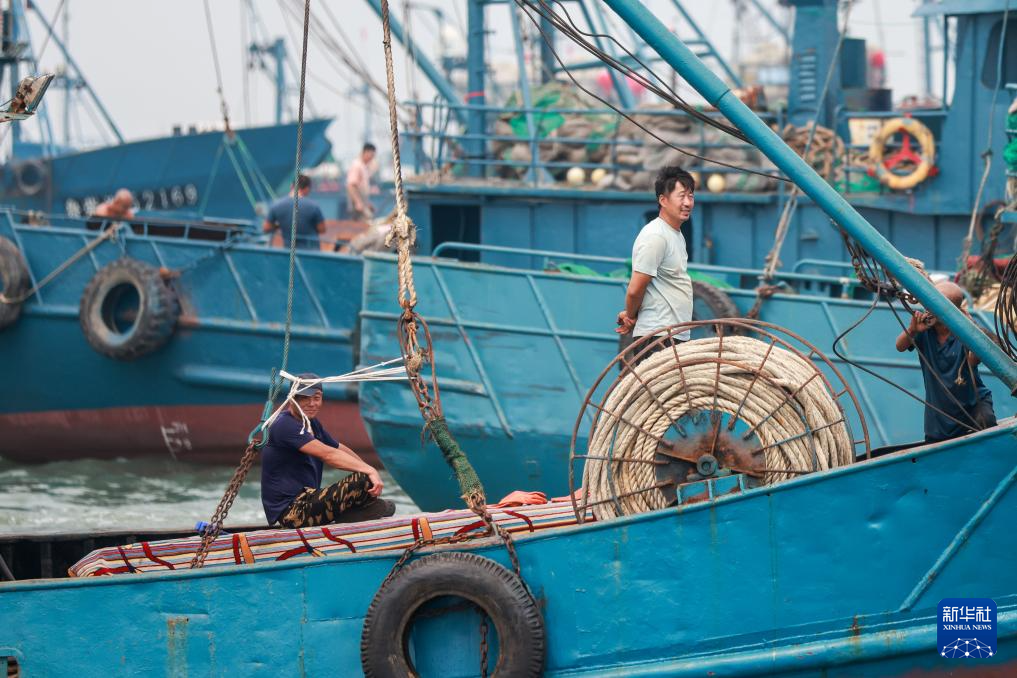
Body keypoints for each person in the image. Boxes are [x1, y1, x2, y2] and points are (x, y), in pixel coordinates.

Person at [261, 373, 394, 528]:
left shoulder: (311, 423)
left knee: (380, 496)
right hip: (293, 512)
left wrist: (369, 471)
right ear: (292, 399)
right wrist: (369, 471)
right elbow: (329, 455)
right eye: (305, 398)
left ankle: (350, 514)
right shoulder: (285, 425)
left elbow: (337, 448)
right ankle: (349, 514)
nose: (312, 403)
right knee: (364, 479)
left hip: (309, 500)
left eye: (316, 398)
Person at [894, 280, 997, 443]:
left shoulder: (964, 334)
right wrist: (913, 330)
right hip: (940, 414)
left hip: (973, 407)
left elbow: (973, 360)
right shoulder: (924, 332)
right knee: (937, 444)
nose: (928, 308)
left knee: (987, 425)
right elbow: (900, 346)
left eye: (933, 304)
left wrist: (971, 330)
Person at [616, 166, 696, 361]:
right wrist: (631, 316)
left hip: (672, 334)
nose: (687, 203)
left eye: (691, 196)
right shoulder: (656, 236)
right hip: (658, 336)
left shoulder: (675, 234)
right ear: (663, 200)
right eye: (681, 196)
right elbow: (636, 288)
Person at [263, 174, 325, 251]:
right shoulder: (313, 206)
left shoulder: (276, 205)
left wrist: (279, 225)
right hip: (311, 253)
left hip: (289, 252)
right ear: (307, 189)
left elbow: (266, 228)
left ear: (291, 186)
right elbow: (322, 229)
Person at [346, 142, 377, 221]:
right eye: (371, 155)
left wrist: (367, 203)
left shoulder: (363, 166)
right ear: (365, 152)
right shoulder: (357, 166)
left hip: (362, 202)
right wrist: (358, 202)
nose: (372, 158)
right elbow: (351, 185)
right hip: (357, 204)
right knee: (366, 220)